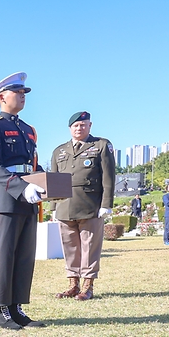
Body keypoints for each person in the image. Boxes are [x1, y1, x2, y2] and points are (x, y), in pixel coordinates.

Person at [0, 72, 47, 330]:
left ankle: (16, 307)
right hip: (6, 198)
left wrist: (43, 186)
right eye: (17, 92)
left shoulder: (28, 130)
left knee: (24, 255)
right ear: (2, 97)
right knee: (4, 255)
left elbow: (33, 164)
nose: (22, 96)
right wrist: (21, 187)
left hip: (29, 197)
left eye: (24, 93)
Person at [50, 111, 115, 301]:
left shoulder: (101, 145)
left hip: (90, 205)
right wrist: (53, 206)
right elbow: (54, 180)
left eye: (83, 125)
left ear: (90, 125)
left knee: (89, 247)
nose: (79, 128)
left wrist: (106, 204)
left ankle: (88, 286)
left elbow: (108, 176)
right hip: (65, 206)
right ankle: (73, 284)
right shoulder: (59, 151)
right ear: (70, 128)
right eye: (76, 126)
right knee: (69, 247)